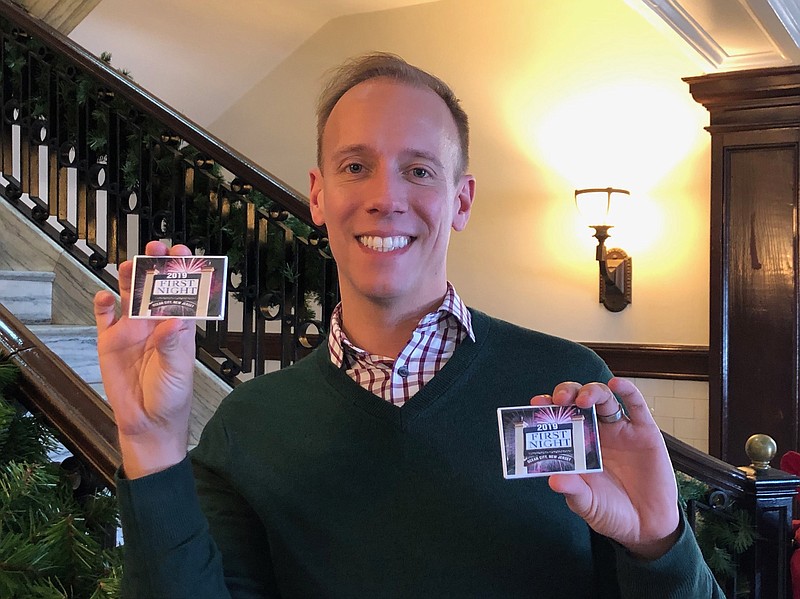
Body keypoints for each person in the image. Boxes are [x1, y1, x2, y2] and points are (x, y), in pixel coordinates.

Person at [94, 52, 723, 598]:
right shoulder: (250, 429)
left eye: (419, 170)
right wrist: (150, 447)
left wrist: (660, 543)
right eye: (355, 166)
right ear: (318, 196)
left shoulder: (566, 387)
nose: (385, 197)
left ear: (462, 200)